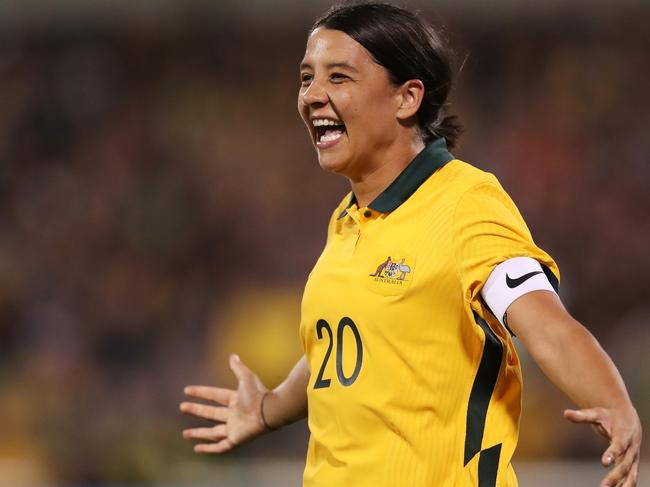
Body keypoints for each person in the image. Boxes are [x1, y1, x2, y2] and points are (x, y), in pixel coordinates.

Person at [179, 3, 642, 486]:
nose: (312, 95)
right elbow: (343, 348)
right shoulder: (347, 219)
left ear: (407, 98)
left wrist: (613, 403)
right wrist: (270, 408)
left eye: (339, 78)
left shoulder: (465, 202)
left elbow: (547, 325)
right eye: (306, 78)